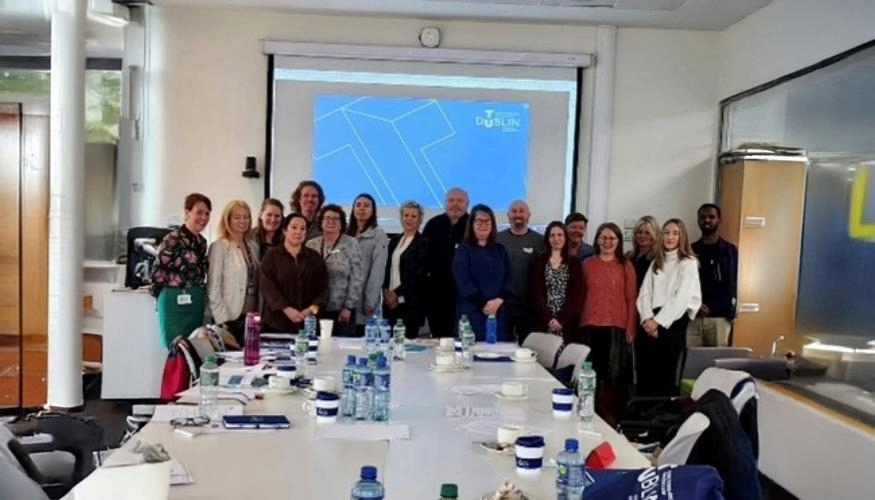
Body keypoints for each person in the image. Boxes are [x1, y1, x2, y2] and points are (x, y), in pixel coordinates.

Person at [579, 222, 638, 425]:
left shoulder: (625, 266)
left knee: (613, 377)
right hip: (589, 326)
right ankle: (589, 413)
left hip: (616, 327)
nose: (607, 242)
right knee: (590, 375)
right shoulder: (587, 264)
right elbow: (580, 296)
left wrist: (631, 328)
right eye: (603, 237)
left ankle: (611, 419)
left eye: (612, 238)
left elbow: (631, 298)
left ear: (619, 241)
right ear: (596, 240)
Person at [636, 218, 701, 396]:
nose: (670, 237)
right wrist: (647, 319)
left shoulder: (688, 263)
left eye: (675, 233)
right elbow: (644, 294)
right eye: (666, 233)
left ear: (682, 237)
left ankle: (661, 416)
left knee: (666, 374)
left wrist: (657, 322)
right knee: (646, 372)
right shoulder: (656, 262)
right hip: (650, 321)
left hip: (673, 321)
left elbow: (680, 298)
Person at [150, 193, 211, 348]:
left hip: (195, 301)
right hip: (173, 303)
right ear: (187, 212)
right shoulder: (173, 239)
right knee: (176, 350)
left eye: (207, 213)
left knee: (193, 348)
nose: (203, 217)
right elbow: (157, 273)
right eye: (199, 212)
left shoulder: (201, 242)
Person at [452, 204, 514, 342]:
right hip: (472, 313)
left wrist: (498, 301)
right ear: (472, 224)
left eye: (487, 221)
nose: (483, 225)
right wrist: (485, 304)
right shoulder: (464, 249)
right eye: (479, 221)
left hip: (499, 312)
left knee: (499, 355)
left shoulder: (500, 250)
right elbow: (463, 282)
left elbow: (509, 279)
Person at [260, 214, 328, 333]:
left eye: (303, 228)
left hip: (309, 324)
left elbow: (324, 289)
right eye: (294, 227)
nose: (298, 232)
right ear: (285, 230)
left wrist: (311, 309)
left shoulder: (314, 257)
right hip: (277, 324)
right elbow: (267, 287)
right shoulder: (272, 256)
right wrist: (286, 309)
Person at [207, 200, 260, 345]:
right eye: (237, 217)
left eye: (246, 216)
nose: (242, 221)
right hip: (228, 316)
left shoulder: (253, 246)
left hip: (250, 316)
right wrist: (222, 320)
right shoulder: (220, 247)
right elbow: (213, 286)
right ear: (227, 219)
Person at [306, 204, 364, 337]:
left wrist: (348, 307)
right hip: (315, 308)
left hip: (342, 310)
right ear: (321, 222)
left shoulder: (351, 244)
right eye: (327, 218)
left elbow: (357, 277)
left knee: (340, 350)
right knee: (316, 347)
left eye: (335, 219)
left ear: (342, 223)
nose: (331, 221)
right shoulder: (311, 244)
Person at [688, 203, 738, 347]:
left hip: (719, 319)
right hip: (693, 318)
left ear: (719, 220)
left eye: (712, 217)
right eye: (703, 217)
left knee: (716, 365)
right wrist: (695, 305)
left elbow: (732, 285)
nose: (707, 220)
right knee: (692, 365)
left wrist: (712, 306)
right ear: (698, 220)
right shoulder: (690, 250)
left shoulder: (729, 251)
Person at [423, 188, 470, 337]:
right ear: (444, 203)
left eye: (460, 201)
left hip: (464, 296)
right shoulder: (432, 225)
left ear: (467, 204)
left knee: (463, 340)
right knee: (439, 340)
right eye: (451, 200)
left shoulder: (473, 226)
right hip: (436, 296)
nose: (455, 204)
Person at [496, 200, 544, 345]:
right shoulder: (498, 239)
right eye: (514, 211)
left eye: (521, 211)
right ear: (508, 215)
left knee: (528, 348)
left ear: (529, 215)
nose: (518, 215)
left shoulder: (539, 240)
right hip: (503, 304)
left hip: (528, 305)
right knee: (502, 345)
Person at [529, 221, 583, 341]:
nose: (556, 239)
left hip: (566, 321)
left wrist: (560, 319)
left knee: (565, 357)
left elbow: (576, 294)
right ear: (547, 238)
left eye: (560, 235)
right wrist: (549, 319)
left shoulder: (574, 263)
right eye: (552, 235)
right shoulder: (538, 261)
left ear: (565, 237)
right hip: (543, 320)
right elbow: (536, 293)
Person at [383, 201, 430, 338]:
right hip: (389, 302)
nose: (409, 219)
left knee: (407, 347)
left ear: (420, 220)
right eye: (406, 215)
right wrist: (386, 292)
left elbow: (419, 276)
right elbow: (387, 268)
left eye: (413, 216)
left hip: (410, 304)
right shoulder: (394, 241)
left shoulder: (423, 242)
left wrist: (396, 294)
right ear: (401, 218)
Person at [347, 194, 389, 333]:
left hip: (363, 303)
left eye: (366, 205)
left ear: (373, 210)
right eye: (358, 205)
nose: (362, 208)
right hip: (342, 302)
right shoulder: (345, 233)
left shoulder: (378, 236)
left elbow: (378, 271)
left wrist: (370, 301)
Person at [627, 215, 660, 290]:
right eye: (639, 232)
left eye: (647, 233)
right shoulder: (628, 256)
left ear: (655, 235)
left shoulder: (658, 259)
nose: (643, 236)